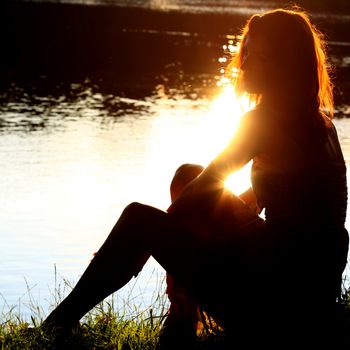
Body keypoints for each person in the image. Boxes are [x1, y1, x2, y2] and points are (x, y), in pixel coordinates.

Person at [42, 7, 349, 348]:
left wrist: (148, 246)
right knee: (187, 174)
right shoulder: (321, 123)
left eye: (257, 56)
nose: (244, 64)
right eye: (245, 52)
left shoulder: (262, 122)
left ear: (281, 63)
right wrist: (213, 225)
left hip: (270, 307)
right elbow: (277, 195)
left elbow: (198, 194)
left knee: (138, 218)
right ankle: (184, 316)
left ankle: (56, 324)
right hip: (308, 298)